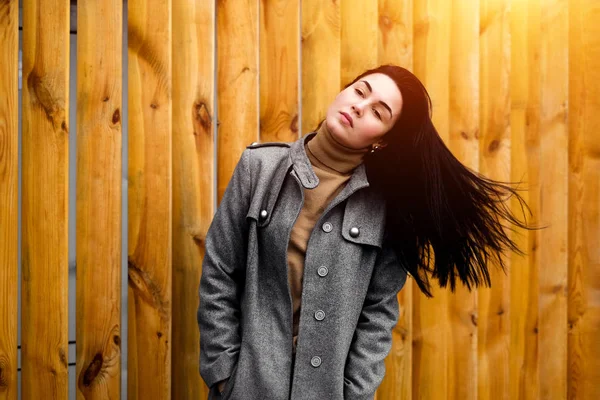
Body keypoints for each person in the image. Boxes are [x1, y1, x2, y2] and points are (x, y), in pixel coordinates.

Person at [197, 64, 532, 400]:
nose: (359, 106)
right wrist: (224, 373)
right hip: (247, 388)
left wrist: (356, 392)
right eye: (360, 91)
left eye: (378, 112)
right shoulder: (260, 168)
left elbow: (378, 313)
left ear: (383, 141)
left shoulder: (388, 208)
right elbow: (220, 271)